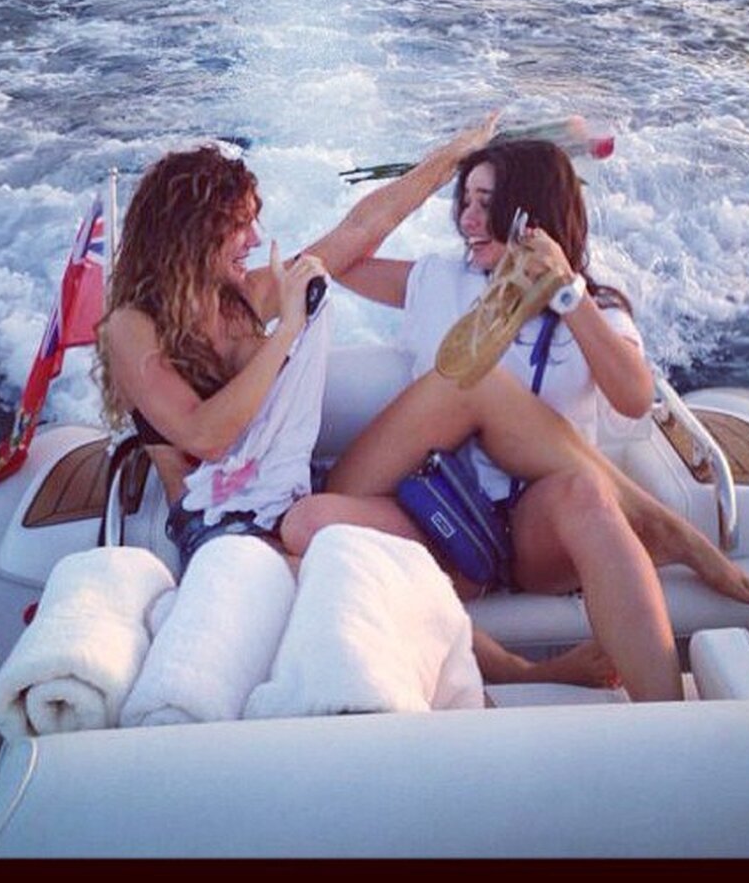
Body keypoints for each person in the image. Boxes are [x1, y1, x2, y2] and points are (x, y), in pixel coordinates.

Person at [96, 126, 615, 691]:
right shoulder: (131, 326)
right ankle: (519, 672)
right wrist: (288, 329)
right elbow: (206, 436)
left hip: (290, 489)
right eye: (239, 224)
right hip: (220, 525)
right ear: (194, 230)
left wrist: (446, 161)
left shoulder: (243, 298)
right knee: (357, 580)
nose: (254, 238)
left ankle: (508, 627)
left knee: (395, 555)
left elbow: (359, 231)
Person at [282, 137, 749, 702]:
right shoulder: (435, 280)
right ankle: (644, 527)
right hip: (434, 514)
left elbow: (636, 399)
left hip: (536, 532)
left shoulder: (595, 310)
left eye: (487, 204)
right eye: (464, 201)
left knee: (584, 491)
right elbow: (332, 259)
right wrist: (438, 168)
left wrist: (567, 293)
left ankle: (673, 723)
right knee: (309, 520)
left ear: (530, 214)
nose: (468, 220)